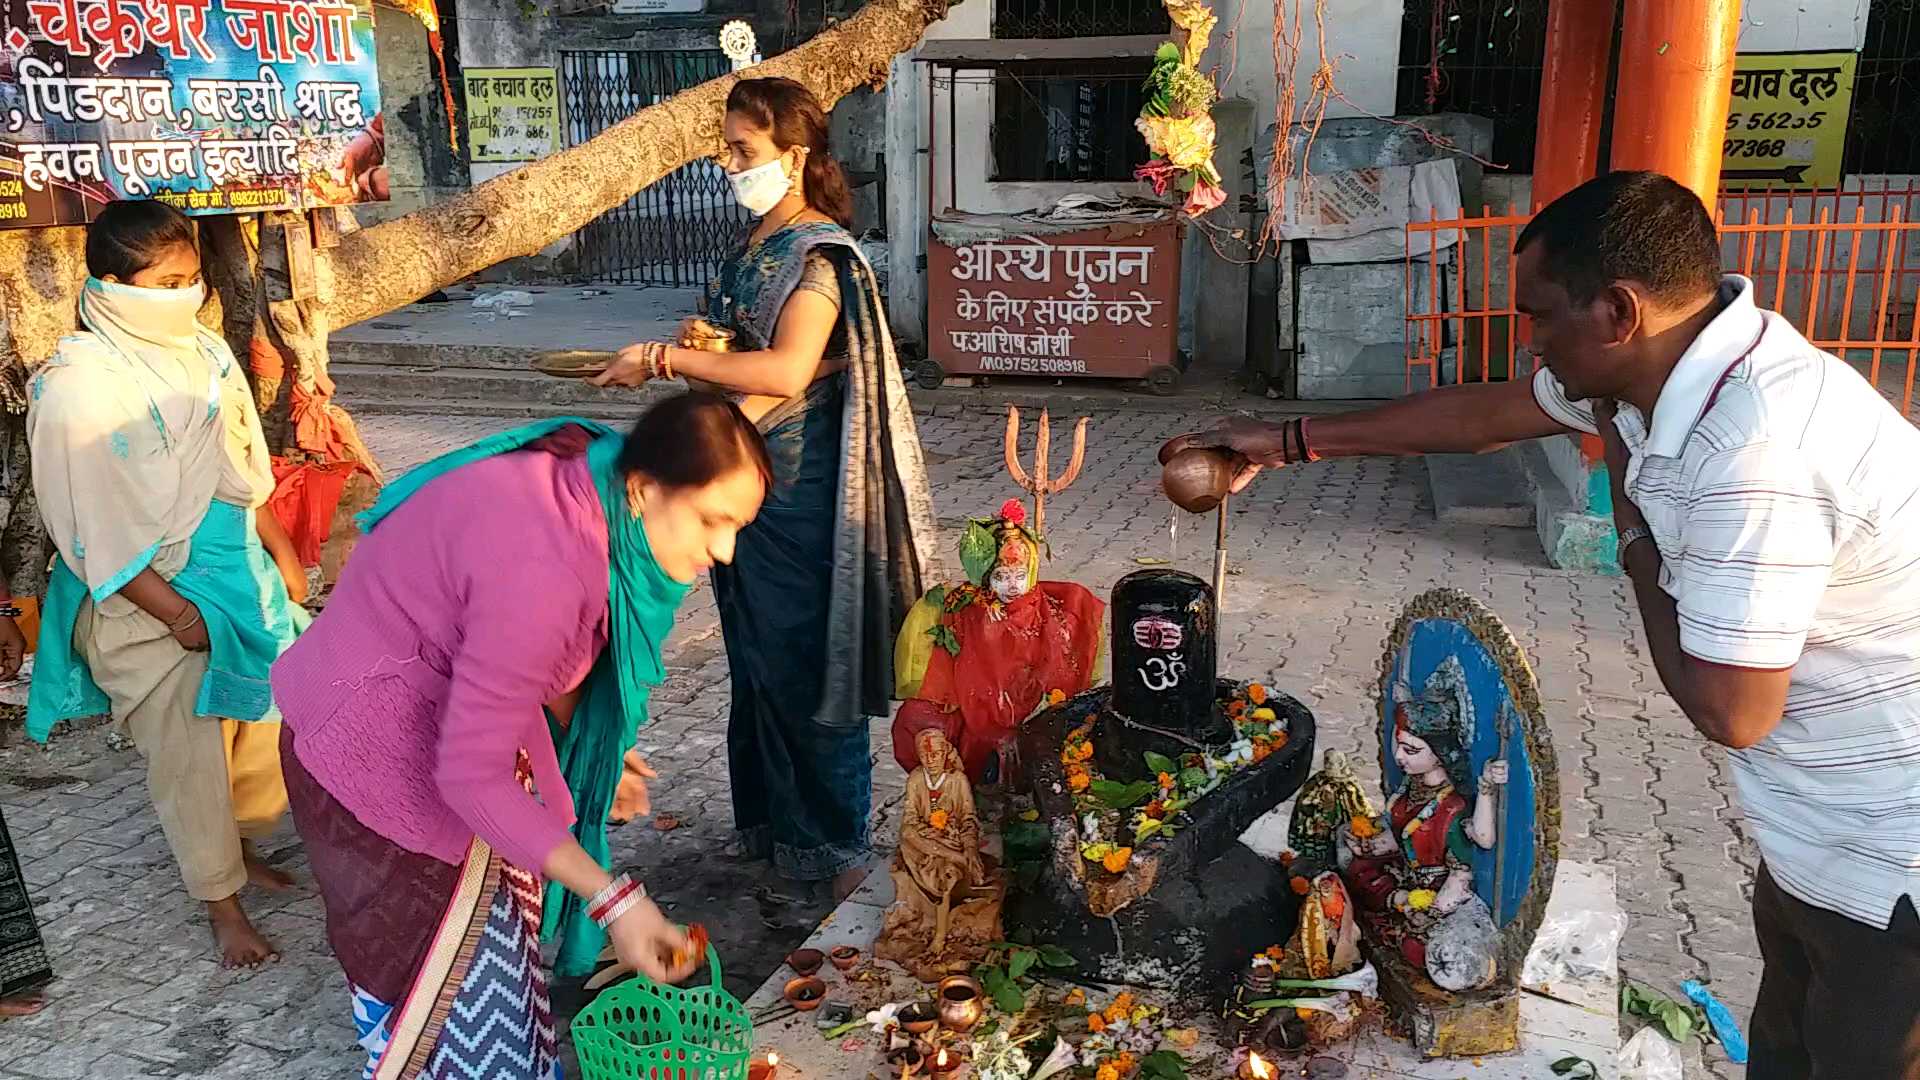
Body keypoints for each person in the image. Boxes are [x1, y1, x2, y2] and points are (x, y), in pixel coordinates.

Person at [1179, 170, 1920, 1078]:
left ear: (1617, 311)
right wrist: (1291, 442)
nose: (1530, 341)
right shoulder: (1669, 368)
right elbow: (1487, 416)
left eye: (1538, 318)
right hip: (1816, 841)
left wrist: (1636, 542)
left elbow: (1734, 709)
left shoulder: (1750, 449)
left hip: (1894, 868)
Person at [272, 394, 768, 1080]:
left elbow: (503, 661)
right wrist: (615, 900)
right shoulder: (547, 568)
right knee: (452, 1013)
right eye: (713, 521)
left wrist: (593, 751)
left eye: (739, 526)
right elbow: (473, 776)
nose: (724, 550)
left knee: (501, 976)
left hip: (422, 710)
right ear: (644, 487)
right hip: (369, 755)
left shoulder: (591, 471)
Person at [591, 77, 939, 899]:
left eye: (742, 150)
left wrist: (666, 359)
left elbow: (787, 368)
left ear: (796, 153)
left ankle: (831, 849)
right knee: (755, 663)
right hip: (743, 479)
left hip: (800, 490)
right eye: (727, 147)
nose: (729, 162)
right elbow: (757, 350)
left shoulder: (821, 254)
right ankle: (776, 831)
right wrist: (706, 342)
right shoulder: (756, 244)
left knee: (805, 663)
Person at [24, 199, 309, 969]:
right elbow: (90, 532)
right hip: (139, 600)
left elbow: (241, 467)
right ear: (114, 287)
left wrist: (279, 551)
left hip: (235, 574)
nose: (185, 296)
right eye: (167, 281)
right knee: (187, 752)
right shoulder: (76, 389)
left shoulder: (205, 354)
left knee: (276, 712)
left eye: (192, 280)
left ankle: (241, 846)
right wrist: (179, 614)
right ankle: (220, 900)